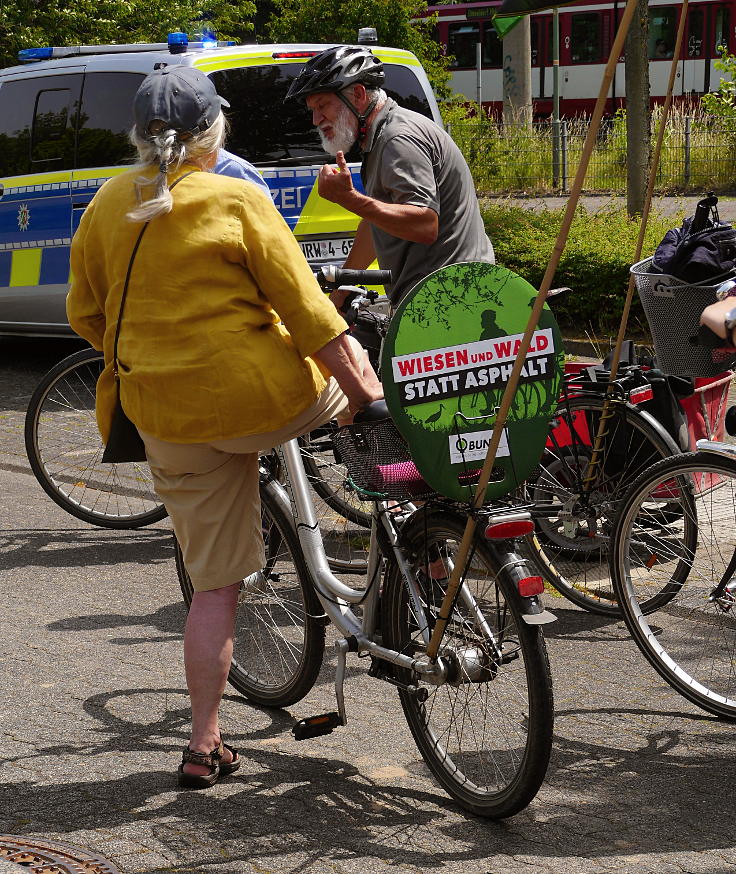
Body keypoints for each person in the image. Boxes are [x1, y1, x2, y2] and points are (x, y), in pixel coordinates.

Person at [66, 65, 382, 790]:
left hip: (168, 417)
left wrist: (157, 351)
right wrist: (364, 393)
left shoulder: (107, 204)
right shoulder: (237, 198)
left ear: (138, 137)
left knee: (214, 588)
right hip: (268, 400)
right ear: (216, 131)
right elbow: (312, 316)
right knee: (361, 378)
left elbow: (87, 316)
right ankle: (412, 523)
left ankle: (204, 743)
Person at [285, 45, 495, 307]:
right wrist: (341, 292)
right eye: (312, 110)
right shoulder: (377, 138)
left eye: (322, 105)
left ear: (359, 94)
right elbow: (375, 225)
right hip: (440, 295)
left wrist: (349, 199)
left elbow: (424, 225)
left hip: (457, 298)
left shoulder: (398, 139)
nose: (316, 119)